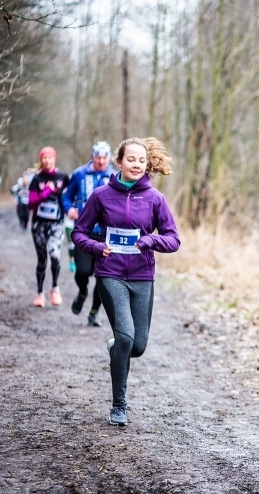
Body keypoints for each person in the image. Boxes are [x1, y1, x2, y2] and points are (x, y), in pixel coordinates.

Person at [72, 137, 180, 427]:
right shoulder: (101, 195)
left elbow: (174, 240)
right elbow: (78, 233)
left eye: (141, 160)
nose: (136, 164)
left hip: (143, 276)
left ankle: (116, 345)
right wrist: (96, 248)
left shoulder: (155, 199)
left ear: (147, 165)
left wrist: (151, 240)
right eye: (130, 159)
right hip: (111, 274)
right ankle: (119, 405)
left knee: (138, 345)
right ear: (119, 161)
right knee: (126, 336)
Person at [63, 141, 116, 327]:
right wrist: (68, 208)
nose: (101, 161)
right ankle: (82, 291)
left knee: (103, 279)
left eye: (105, 157)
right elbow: (66, 196)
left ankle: (94, 313)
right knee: (83, 272)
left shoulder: (115, 176)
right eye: (98, 157)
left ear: (109, 158)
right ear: (92, 156)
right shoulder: (79, 174)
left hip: (107, 235)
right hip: (84, 232)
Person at [29, 147, 69, 307]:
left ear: (54, 159)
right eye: (44, 158)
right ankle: (39, 293)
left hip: (56, 224)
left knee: (55, 255)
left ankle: (55, 287)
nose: (47, 160)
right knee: (42, 259)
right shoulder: (36, 179)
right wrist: (46, 192)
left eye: (50, 157)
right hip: (39, 225)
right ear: (41, 160)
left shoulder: (63, 177)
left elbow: (68, 198)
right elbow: (31, 204)